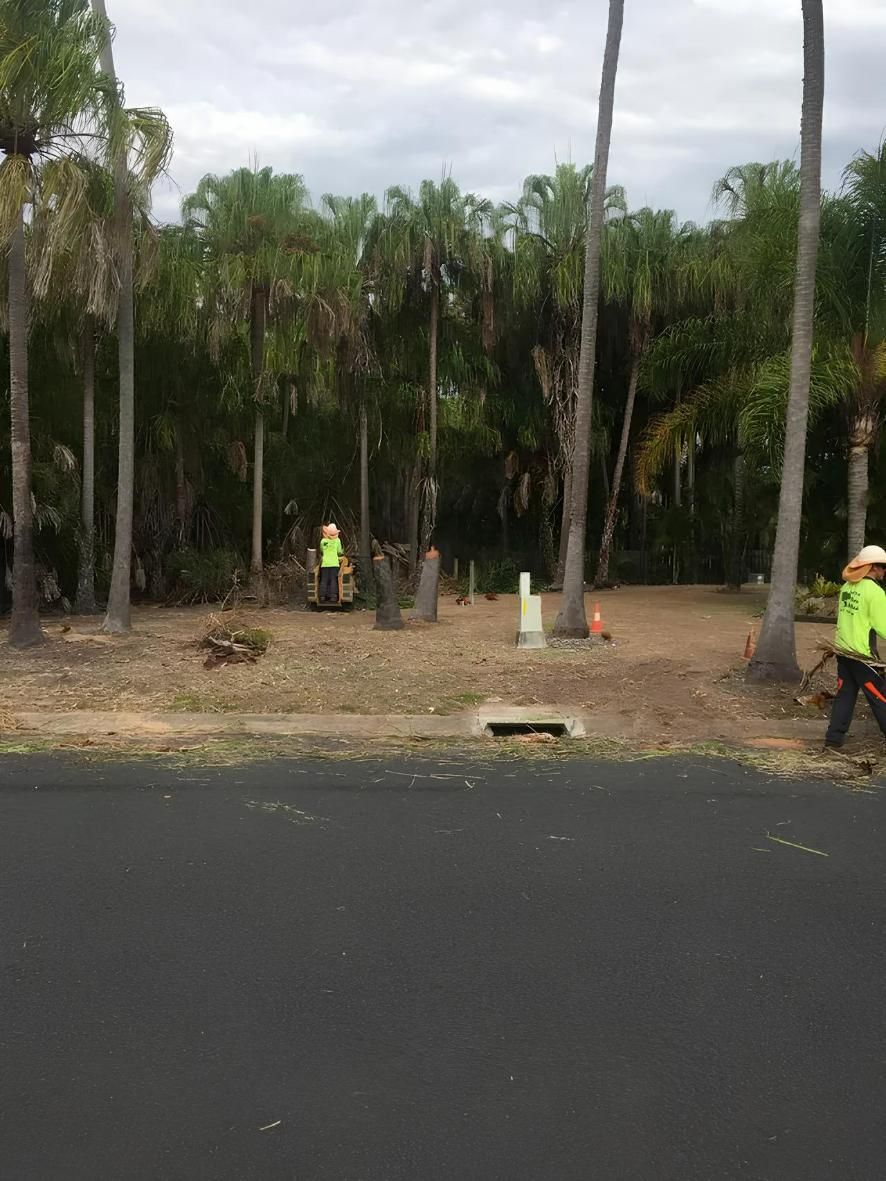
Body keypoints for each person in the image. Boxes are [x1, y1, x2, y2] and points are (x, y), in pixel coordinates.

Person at [825, 544, 886, 749]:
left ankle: (833, 741)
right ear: (873, 567)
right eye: (883, 566)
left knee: (845, 696)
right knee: (880, 698)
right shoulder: (875, 592)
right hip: (863, 656)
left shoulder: (846, 588)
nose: (884, 571)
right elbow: (883, 628)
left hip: (843, 653)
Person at [318, 523, 344, 604]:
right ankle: (333, 597)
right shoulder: (337, 540)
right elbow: (339, 551)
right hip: (334, 563)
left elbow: (322, 550)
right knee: (333, 580)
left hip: (325, 563)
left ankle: (322, 597)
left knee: (324, 580)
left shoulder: (323, 541)